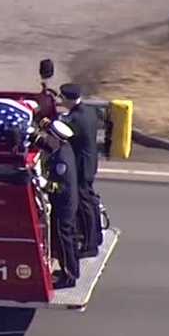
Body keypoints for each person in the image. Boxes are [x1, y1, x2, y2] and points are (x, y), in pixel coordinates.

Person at [59, 83, 103, 257]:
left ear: (68, 99)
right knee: (91, 202)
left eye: (62, 98)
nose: (60, 101)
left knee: (84, 205)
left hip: (81, 166)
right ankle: (96, 235)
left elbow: (60, 131)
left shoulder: (75, 119)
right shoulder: (88, 112)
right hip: (90, 163)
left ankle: (89, 245)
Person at [40, 119, 81, 289]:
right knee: (69, 238)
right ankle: (73, 270)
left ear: (56, 138)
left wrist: (44, 184)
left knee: (65, 241)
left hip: (63, 204)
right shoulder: (64, 150)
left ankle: (68, 276)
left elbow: (60, 187)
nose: (48, 138)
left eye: (50, 136)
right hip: (69, 203)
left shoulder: (61, 160)